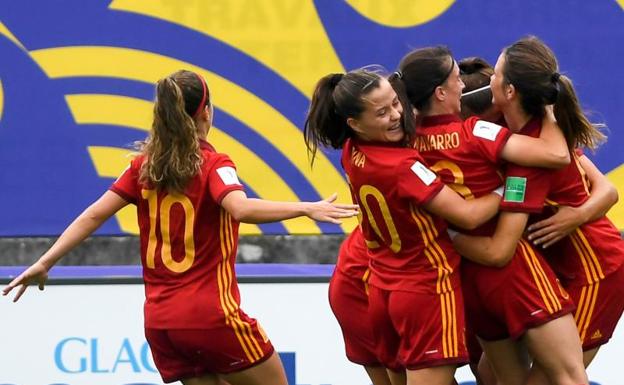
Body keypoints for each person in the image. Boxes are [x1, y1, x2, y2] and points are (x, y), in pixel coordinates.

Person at [2, 70, 359, 385]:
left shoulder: (142, 166)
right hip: (211, 316)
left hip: (162, 324)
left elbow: (93, 215)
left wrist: (45, 261)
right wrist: (305, 207)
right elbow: (240, 208)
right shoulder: (214, 163)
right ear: (206, 112)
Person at [390, 45, 588, 385]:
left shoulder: (403, 145)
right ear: (440, 93)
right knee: (570, 377)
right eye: (456, 80)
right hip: (514, 273)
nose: (465, 86)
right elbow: (556, 155)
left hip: (468, 275)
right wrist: (550, 110)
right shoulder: (475, 132)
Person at [305, 69, 503, 385]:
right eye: (382, 112)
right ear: (354, 123)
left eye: (397, 103)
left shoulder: (350, 150)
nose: (397, 115)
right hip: (426, 289)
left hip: (385, 290)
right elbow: (467, 216)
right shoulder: (404, 168)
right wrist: (508, 187)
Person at [452, 36, 623, 385]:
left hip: (596, 274)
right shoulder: (536, 134)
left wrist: (448, 235)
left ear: (511, 91)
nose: (489, 82)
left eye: (495, 75)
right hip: (559, 269)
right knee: (488, 373)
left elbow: (501, 249)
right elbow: (603, 188)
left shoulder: (534, 158)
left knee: (557, 378)